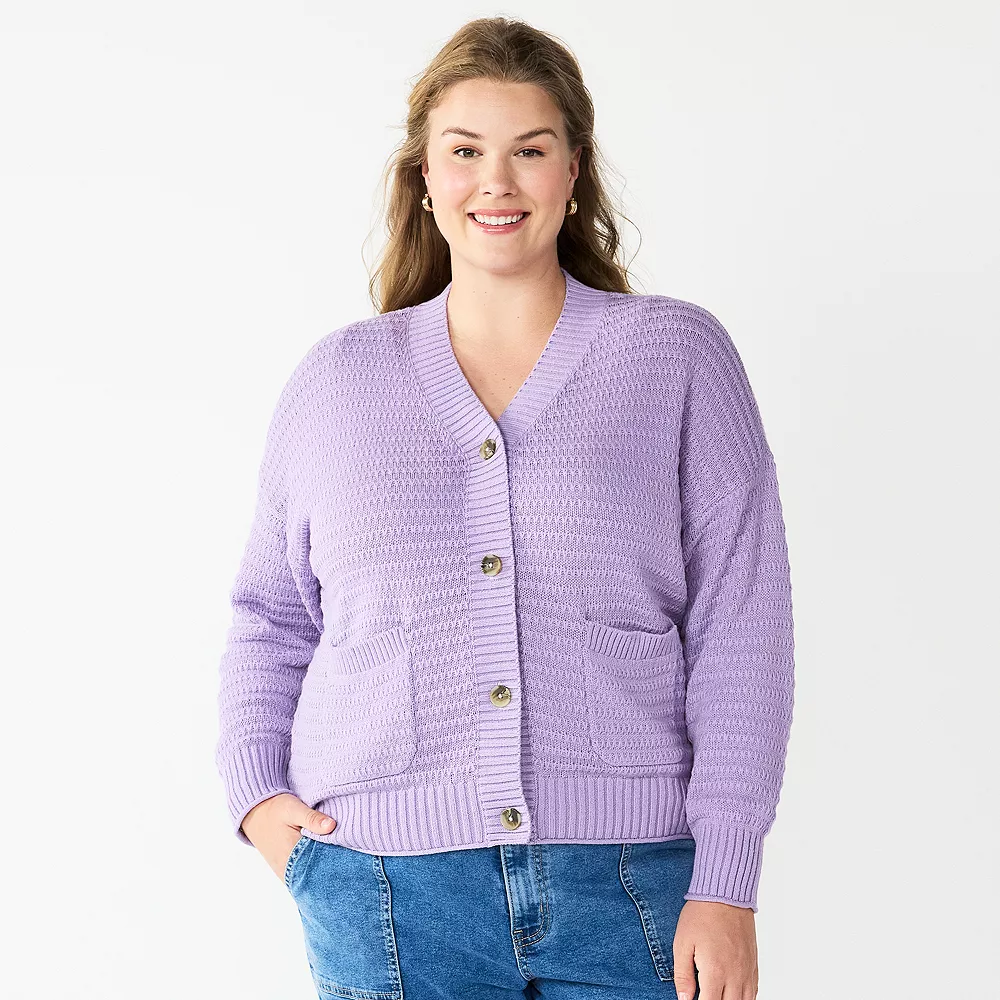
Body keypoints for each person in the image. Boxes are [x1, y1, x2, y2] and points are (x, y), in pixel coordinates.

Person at [215, 15, 795, 1000]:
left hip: (635, 885)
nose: (496, 181)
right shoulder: (336, 381)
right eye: (464, 151)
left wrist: (727, 880)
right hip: (384, 889)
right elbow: (269, 619)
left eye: (529, 150)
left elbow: (743, 627)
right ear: (424, 176)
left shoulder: (674, 358)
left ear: (573, 172)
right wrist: (258, 800)